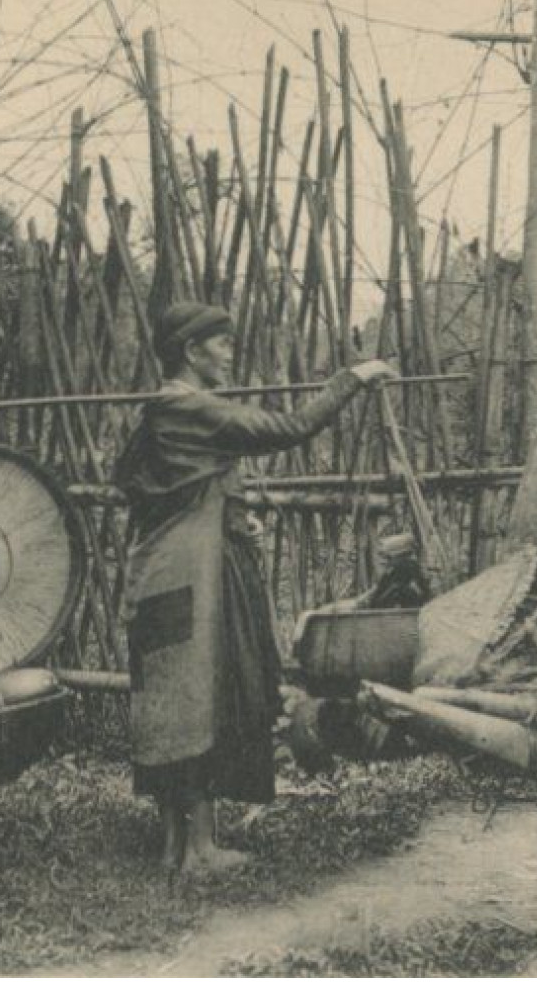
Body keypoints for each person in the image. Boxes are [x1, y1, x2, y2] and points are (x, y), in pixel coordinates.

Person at [115, 301, 395, 874]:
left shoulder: (160, 415)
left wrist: (234, 515)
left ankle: (178, 844)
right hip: (196, 574)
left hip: (165, 571)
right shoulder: (190, 408)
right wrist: (351, 380)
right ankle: (199, 852)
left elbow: (169, 488)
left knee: (176, 698)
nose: (228, 353)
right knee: (202, 697)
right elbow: (288, 429)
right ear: (191, 352)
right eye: (219, 344)